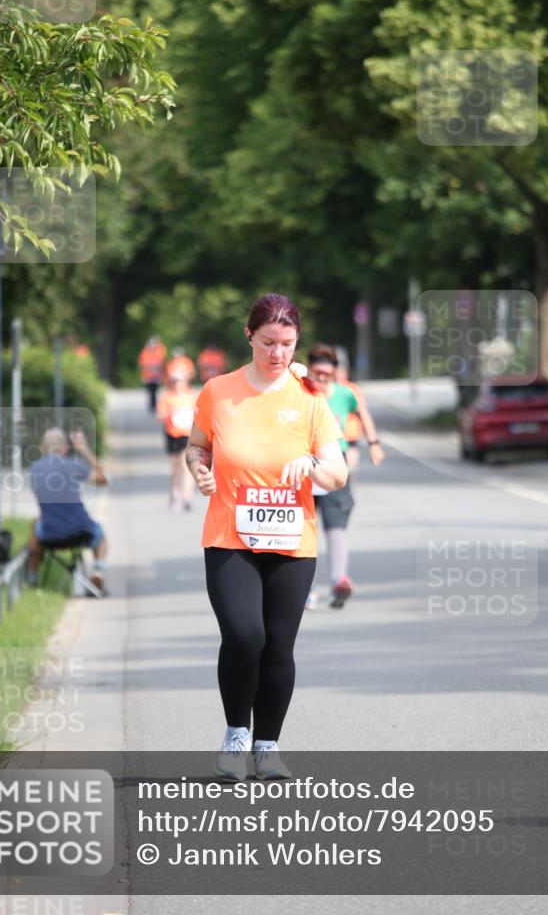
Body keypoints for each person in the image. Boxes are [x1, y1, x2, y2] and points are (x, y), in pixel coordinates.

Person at [185, 294, 347, 781]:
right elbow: (196, 447)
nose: (278, 354)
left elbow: (338, 472)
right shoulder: (218, 392)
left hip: (292, 542)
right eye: (268, 342)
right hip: (229, 535)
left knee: (278, 645)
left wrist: (315, 464)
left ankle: (267, 746)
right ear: (248, 336)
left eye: (288, 344)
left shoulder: (311, 398)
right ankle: (236, 735)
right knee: (243, 634)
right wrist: (199, 471)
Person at [306, 344, 386, 610]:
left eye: (328, 373)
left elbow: (362, 411)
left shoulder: (343, 394)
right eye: (318, 372)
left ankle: (338, 580)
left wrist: (373, 442)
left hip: (334, 467)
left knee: (335, 524)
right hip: (302, 467)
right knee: (303, 528)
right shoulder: (300, 392)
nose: (322, 378)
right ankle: (305, 590)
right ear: (310, 370)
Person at [27, 428, 109, 592]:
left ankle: (32, 577)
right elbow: (103, 479)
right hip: (82, 532)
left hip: (50, 535)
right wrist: (84, 450)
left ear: (43, 449)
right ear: (65, 448)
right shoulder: (74, 465)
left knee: (35, 525)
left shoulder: (34, 470)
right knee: (101, 535)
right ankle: (98, 570)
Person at [157, 372, 198, 512]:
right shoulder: (167, 397)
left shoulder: (191, 395)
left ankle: (187, 497)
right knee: (175, 466)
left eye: (180, 381)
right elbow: (159, 415)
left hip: (187, 434)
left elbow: (199, 413)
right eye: (175, 381)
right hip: (171, 433)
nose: (177, 384)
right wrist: (170, 412)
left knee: (185, 464)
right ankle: (174, 493)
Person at [335, 352, 373, 481]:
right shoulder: (325, 389)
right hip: (333, 439)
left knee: (348, 472)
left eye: (341, 372)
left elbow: (362, 411)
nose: (339, 376)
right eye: (337, 372)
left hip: (350, 436)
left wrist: (372, 442)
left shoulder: (351, 389)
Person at [138, 336, 167, 413]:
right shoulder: (145, 353)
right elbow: (141, 364)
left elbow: (162, 363)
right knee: (150, 391)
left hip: (156, 376)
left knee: (155, 391)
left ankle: (154, 405)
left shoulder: (159, 352)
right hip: (148, 376)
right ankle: (151, 405)